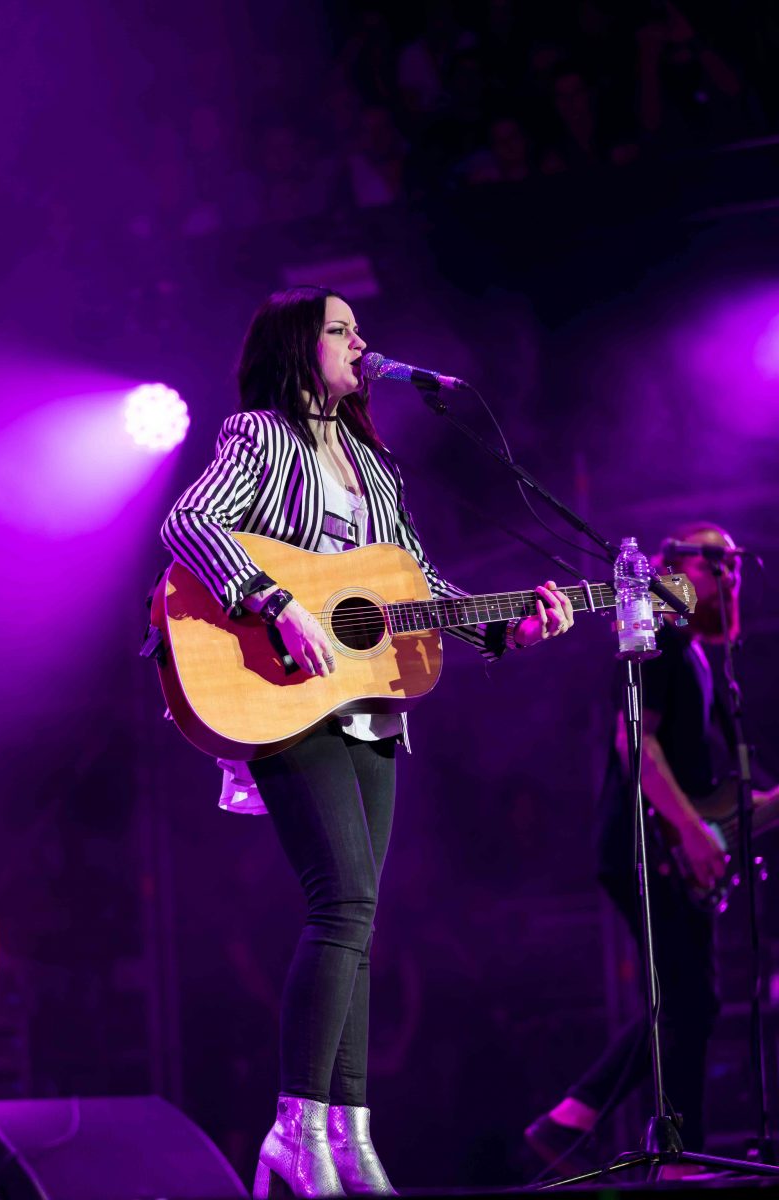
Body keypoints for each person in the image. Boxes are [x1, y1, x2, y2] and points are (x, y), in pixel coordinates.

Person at [160, 285, 575, 1198]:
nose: (360, 343)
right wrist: (273, 602)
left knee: (359, 917)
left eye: (359, 329)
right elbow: (188, 522)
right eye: (340, 330)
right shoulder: (259, 436)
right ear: (296, 347)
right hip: (283, 688)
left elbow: (413, 585)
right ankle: (294, 1130)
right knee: (342, 903)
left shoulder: (376, 467)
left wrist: (505, 626)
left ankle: (345, 1137)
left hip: (367, 702)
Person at [525, 522, 773, 1180]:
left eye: (734, 563)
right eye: (714, 560)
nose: (729, 572)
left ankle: (575, 1122)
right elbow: (635, 742)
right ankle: (671, 1153)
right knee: (686, 997)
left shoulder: (701, 654)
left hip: (672, 841)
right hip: (648, 843)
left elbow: (706, 776)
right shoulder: (659, 636)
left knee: (691, 999)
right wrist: (691, 830)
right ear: (669, 567)